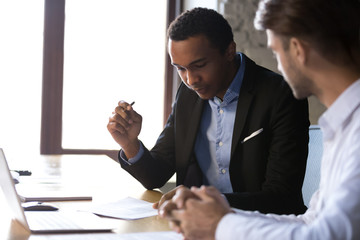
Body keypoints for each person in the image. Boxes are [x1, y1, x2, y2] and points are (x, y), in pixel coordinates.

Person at [159, 0, 360, 239]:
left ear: (298, 50)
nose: (277, 64)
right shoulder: (343, 126)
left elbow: (330, 235)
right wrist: (216, 214)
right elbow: (311, 221)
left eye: (275, 50)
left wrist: (220, 225)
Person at [107, 7, 309, 215]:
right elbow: (156, 175)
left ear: (229, 51)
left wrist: (206, 201)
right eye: (180, 68)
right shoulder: (187, 95)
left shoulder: (280, 95)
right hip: (199, 227)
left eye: (199, 65)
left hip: (262, 227)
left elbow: (282, 196)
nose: (191, 80)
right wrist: (129, 144)